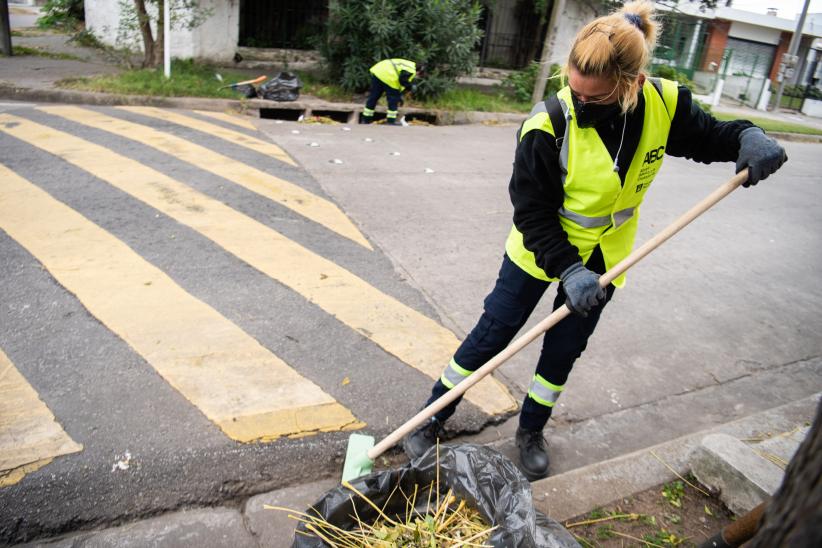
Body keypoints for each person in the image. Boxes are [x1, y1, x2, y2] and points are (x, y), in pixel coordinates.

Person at [402, 0, 787, 480]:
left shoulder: (665, 105)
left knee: (564, 349)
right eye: (575, 91)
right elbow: (532, 212)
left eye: (595, 99)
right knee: (494, 333)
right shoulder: (548, 126)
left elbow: (712, 137)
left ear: (633, 86)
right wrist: (568, 269)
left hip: (607, 256)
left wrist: (748, 136)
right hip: (540, 251)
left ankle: (531, 429)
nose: (580, 104)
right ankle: (434, 414)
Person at [361, 58, 420, 125]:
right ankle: (391, 121)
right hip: (389, 76)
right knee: (393, 100)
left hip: (378, 71)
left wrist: (399, 95)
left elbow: (400, 80)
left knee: (373, 97)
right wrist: (410, 87)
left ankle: (366, 120)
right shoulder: (411, 69)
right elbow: (402, 80)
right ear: (419, 71)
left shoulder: (407, 63)